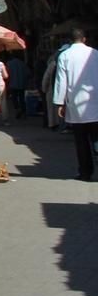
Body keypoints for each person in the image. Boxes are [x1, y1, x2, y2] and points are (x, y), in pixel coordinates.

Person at [50, 29, 98, 182]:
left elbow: (61, 81)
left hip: (76, 106)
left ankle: (85, 172)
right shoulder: (95, 54)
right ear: (84, 39)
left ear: (70, 40)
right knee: (96, 138)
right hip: (95, 102)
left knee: (81, 142)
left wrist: (59, 102)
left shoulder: (65, 55)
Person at [4, 53, 30, 124]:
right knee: (22, 98)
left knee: (14, 98)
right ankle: (23, 112)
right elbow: (28, 73)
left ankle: (17, 109)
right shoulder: (22, 63)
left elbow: (6, 74)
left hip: (12, 84)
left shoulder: (9, 64)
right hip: (22, 84)